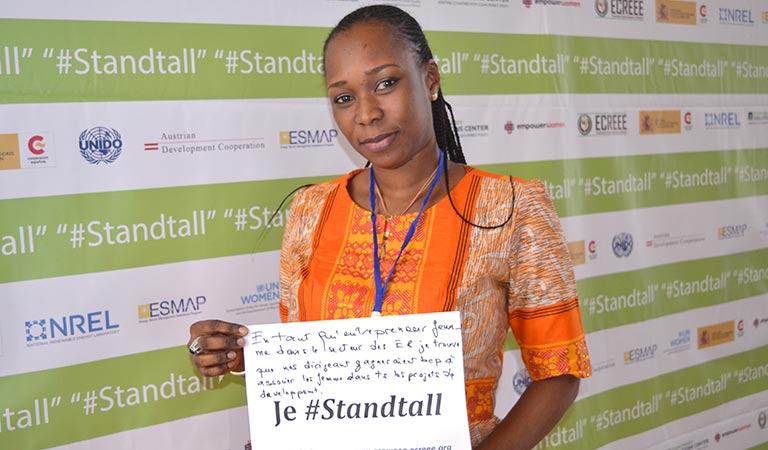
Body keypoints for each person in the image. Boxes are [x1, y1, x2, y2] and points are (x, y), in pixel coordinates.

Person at [188, 5, 591, 449]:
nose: (366, 114)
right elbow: (311, 362)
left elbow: (559, 372)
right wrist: (243, 357)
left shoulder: (512, 209)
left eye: (385, 83)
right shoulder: (310, 210)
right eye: (344, 97)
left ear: (431, 80)